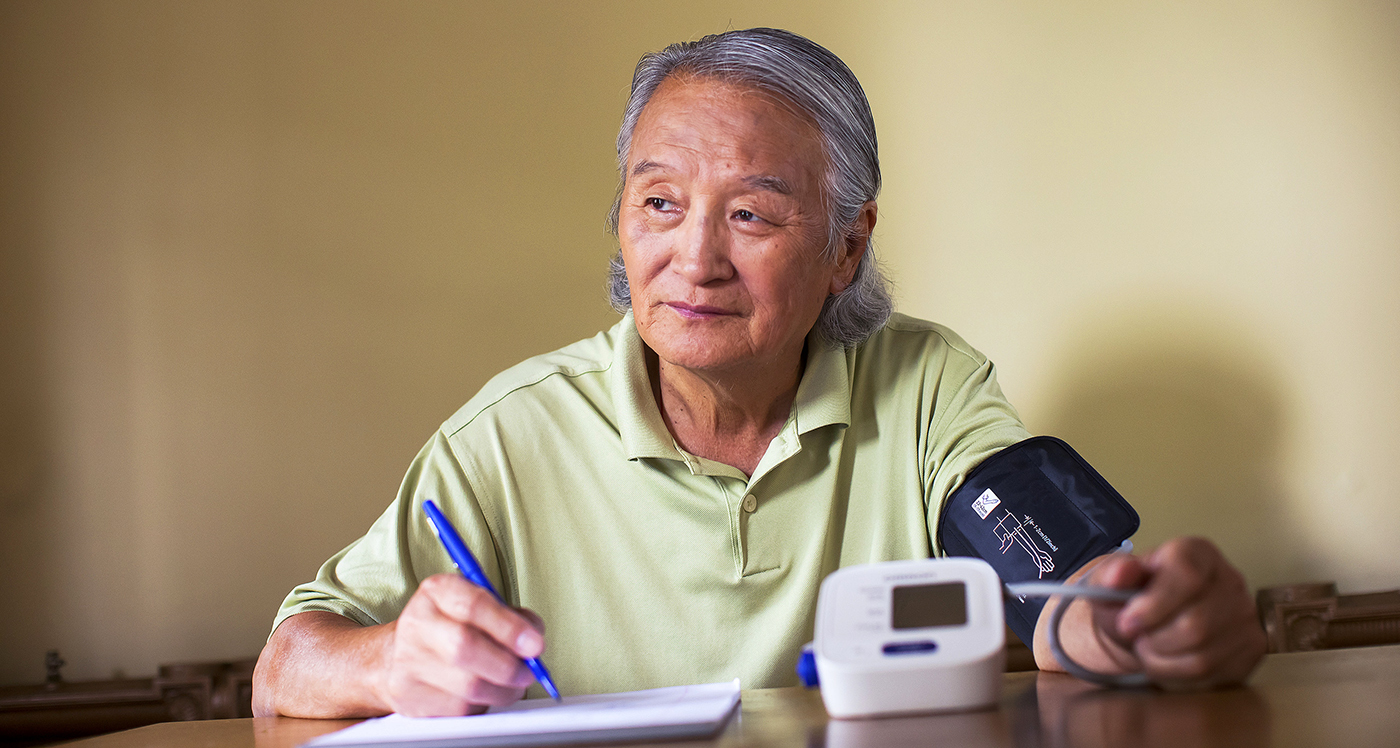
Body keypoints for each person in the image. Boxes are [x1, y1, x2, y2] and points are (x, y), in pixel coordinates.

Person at [252, 28, 1266, 719]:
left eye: (749, 214)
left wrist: (1141, 624)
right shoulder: (509, 434)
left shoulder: (922, 385)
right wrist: (391, 660)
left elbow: (1055, 600)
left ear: (844, 246)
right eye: (656, 204)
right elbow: (284, 669)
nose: (693, 259)